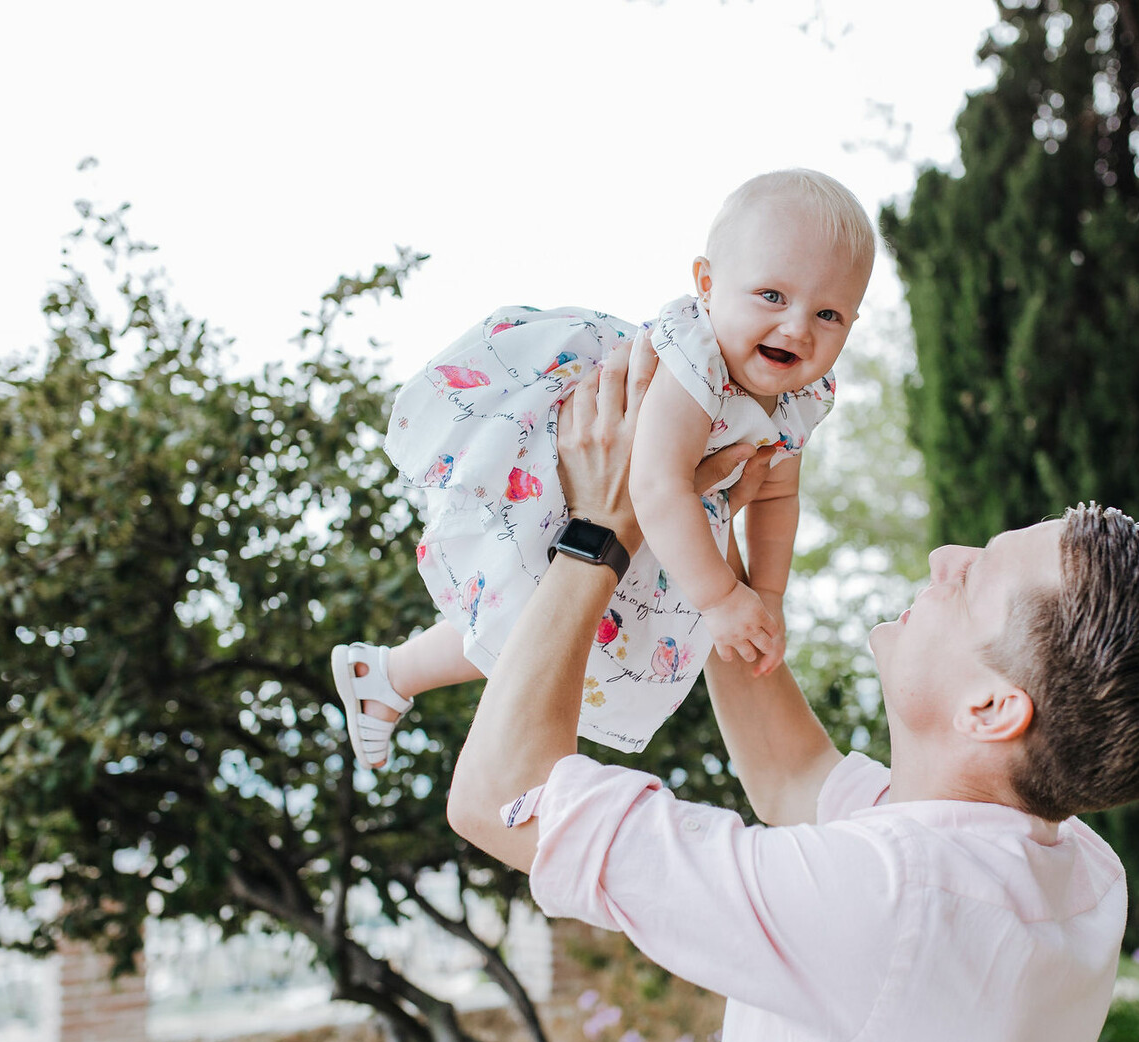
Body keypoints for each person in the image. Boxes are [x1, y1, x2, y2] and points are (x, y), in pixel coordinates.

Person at [444, 340, 1139, 1042]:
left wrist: (603, 524)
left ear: (993, 709)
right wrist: (714, 564)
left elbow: (499, 798)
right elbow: (793, 778)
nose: (944, 559)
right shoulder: (1073, 868)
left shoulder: (889, 900)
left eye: (973, 582)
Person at [330, 168, 876, 765]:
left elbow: (775, 497)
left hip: (653, 521)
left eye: (830, 315)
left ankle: (384, 673)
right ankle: (397, 680)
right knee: (533, 617)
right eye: (772, 296)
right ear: (708, 285)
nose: (798, 327)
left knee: (537, 623)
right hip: (579, 481)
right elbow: (657, 481)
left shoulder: (804, 397)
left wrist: (767, 593)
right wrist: (721, 599)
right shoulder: (696, 360)